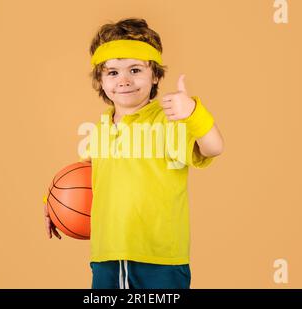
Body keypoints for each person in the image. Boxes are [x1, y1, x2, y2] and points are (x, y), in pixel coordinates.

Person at [44, 18, 224, 289]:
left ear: (155, 75)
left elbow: (213, 147)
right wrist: (53, 203)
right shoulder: (101, 129)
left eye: (135, 70)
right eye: (113, 73)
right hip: (107, 256)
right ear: (101, 81)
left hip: (161, 259)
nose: (124, 80)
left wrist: (193, 114)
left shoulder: (169, 119)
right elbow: (85, 178)